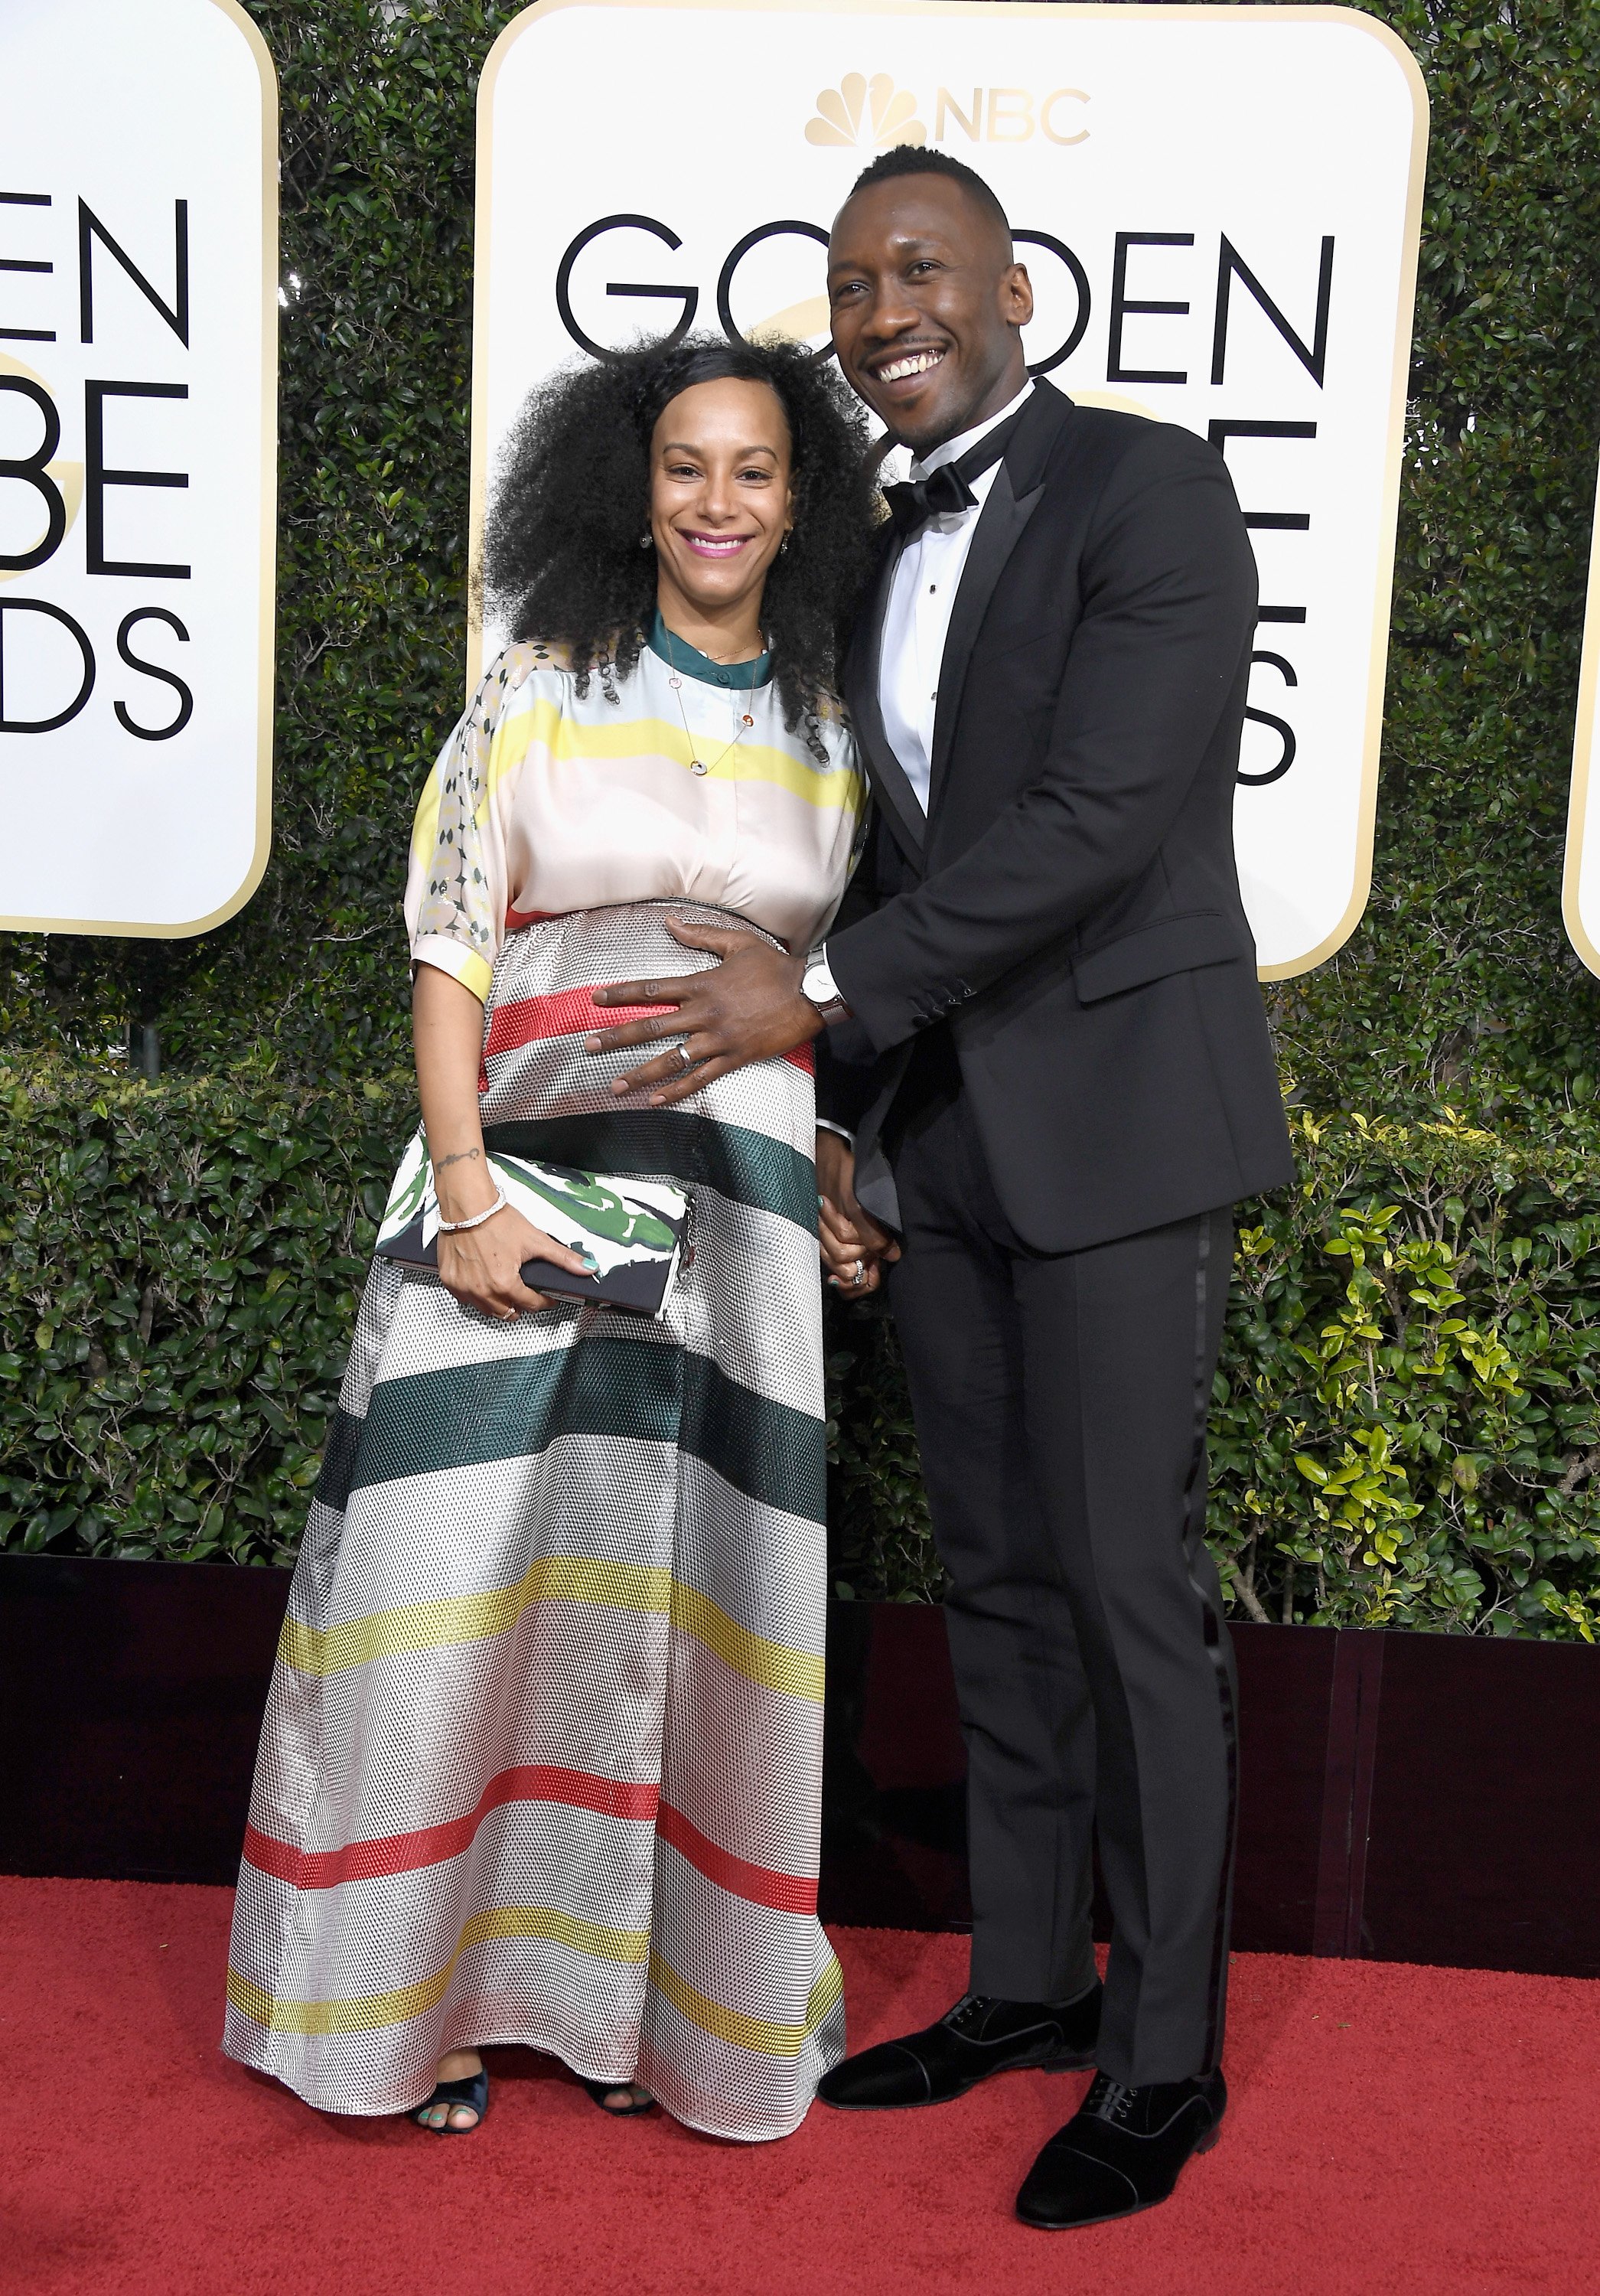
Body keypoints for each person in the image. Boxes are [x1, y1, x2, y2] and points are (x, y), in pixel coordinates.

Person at [584, 148, 1295, 2226]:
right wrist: (850, 1121)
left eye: (921, 268)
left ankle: (1160, 2059)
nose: (882, 305)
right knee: (989, 1580)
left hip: (1119, 1128)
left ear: (1010, 289)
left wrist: (798, 1005)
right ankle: (1015, 1984)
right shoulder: (867, 549)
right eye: (851, 279)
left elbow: (1093, 819)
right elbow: (892, 854)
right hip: (950, 1141)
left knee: (1126, 1594)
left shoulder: (1148, 491)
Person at [222, 335, 877, 2143]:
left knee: (673, 1611)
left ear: (799, 498)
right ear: (629, 483)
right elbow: (453, 935)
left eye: (752, 469)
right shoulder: (537, 680)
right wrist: (462, 1189)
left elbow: (816, 989)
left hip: (734, 1222)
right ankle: (402, 2007)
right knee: (454, 1589)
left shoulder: (832, 725)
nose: (717, 502)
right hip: (527, 1188)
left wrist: (827, 1161)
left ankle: (647, 2014)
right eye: (685, 466)